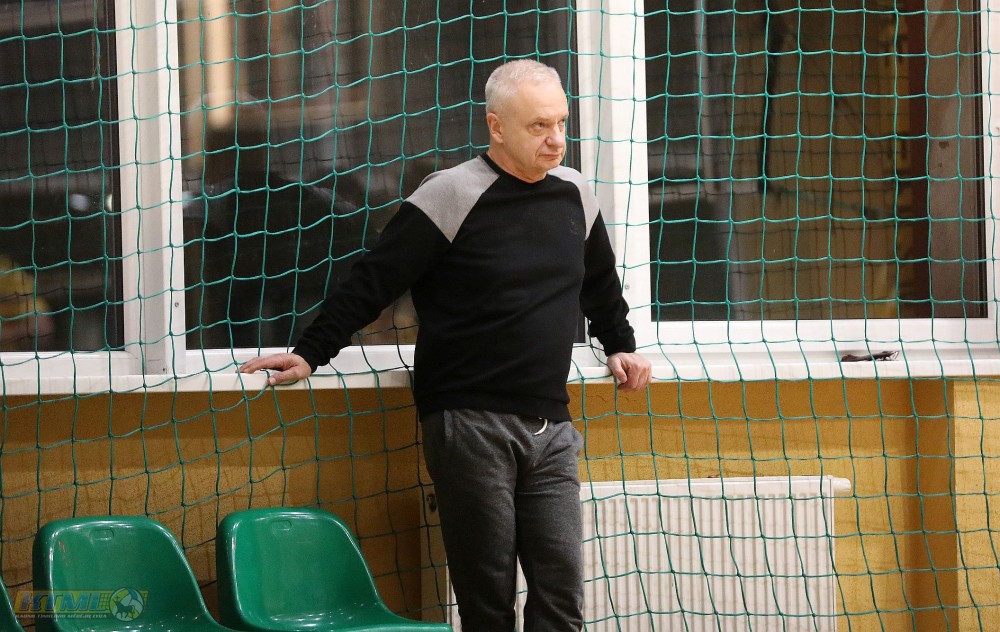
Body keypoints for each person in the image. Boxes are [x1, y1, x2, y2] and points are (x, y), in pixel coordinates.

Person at [240, 59, 652, 631]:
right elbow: (374, 281)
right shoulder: (451, 193)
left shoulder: (574, 193)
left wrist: (620, 343)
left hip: (551, 426)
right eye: (539, 126)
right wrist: (311, 352)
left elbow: (599, 283)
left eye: (561, 122)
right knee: (487, 601)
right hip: (469, 422)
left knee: (562, 598)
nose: (557, 139)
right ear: (497, 127)